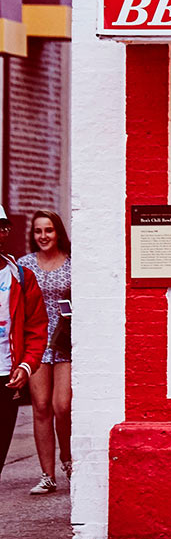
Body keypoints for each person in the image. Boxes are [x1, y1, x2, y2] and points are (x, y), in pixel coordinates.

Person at [18, 210, 70, 493]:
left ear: (58, 232)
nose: (43, 236)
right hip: (35, 343)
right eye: (38, 231)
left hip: (65, 343)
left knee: (62, 406)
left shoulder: (73, 264)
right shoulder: (24, 266)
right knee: (40, 407)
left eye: (48, 230)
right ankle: (47, 475)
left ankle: (68, 459)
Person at [0, 208, 49, 492]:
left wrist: (27, 365)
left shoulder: (20, 275)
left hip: (8, 375)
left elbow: (35, 327)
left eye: (3, 228)